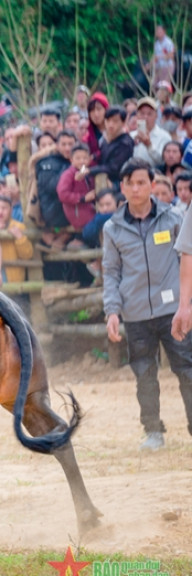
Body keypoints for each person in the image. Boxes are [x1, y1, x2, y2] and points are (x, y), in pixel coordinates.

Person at [104, 158, 192, 451]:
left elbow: (187, 262)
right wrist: (112, 311)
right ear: (122, 187)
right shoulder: (112, 228)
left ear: (153, 185)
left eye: (142, 182)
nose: (137, 188)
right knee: (144, 374)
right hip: (136, 314)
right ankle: (153, 431)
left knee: (187, 370)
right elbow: (111, 272)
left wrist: (187, 303)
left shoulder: (174, 217)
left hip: (174, 312)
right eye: (130, 183)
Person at [0, 195, 33, 284]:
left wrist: (19, 238)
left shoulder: (19, 227)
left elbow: (27, 255)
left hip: (14, 278)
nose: (0, 212)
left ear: (11, 210)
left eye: (4, 208)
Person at [89, 106, 134, 187]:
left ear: (123, 122)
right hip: (103, 179)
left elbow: (113, 168)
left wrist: (90, 170)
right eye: (108, 120)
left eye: (115, 121)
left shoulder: (125, 143)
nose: (110, 124)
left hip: (118, 184)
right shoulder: (106, 139)